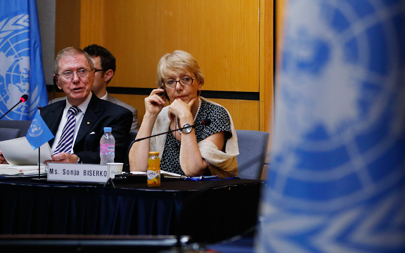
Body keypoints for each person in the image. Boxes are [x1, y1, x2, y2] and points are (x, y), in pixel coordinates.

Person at [0, 47, 133, 164]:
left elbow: (111, 157)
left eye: (82, 71)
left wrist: (76, 159)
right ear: (58, 82)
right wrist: (12, 159)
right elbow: (33, 149)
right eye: (68, 73)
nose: (75, 79)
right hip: (42, 181)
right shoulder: (46, 113)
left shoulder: (116, 115)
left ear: (92, 76)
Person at [128, 50, 238, 178]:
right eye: (170, 82)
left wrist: (185, 118)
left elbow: (193, 170)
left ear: (199, 83)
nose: (178, 87)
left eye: (185, 79)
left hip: (200, 193)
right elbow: (136, 169)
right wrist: (150, 115)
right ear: (162, 89)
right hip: (163, 191)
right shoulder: (161, 115)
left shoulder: (215, 114)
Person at [83, 44, 139, 131]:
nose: (82, 76)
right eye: (81, 70)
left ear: (107, 75)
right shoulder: (56, 107)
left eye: (90, 71)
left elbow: (131, 144)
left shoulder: (126, 112)